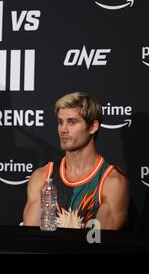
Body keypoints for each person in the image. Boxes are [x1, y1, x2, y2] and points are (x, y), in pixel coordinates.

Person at [23, 92, 129, 229]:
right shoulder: (42, 177)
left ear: (93, 127)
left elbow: (99, 242)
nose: (63, 130)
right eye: (60, 122)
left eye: (72, 122)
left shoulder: (112, 183)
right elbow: (31, 238)